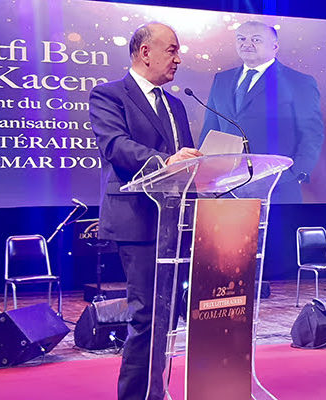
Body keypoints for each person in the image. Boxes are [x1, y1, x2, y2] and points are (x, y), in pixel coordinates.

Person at [89, 23, 201, 400]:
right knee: (148, 316)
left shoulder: (176, 104)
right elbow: (115, 146)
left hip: (178, 223)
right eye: (172, 50)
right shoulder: (109, 95)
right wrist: (166, 161)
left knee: (169, 317)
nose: (178, 58)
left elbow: (184, 163)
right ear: (145, 52)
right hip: (137, 222)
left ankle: (159, 391)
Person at [200, 20, 324, 203]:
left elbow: (311, 134)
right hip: (225, 189)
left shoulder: (299, 82)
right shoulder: (222, 79)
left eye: (256, 39)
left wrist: (294, 173)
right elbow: (211, 129)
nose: (246, 44)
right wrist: (205, 175)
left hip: (277, 189)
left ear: (275, 46)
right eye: (241, 38)